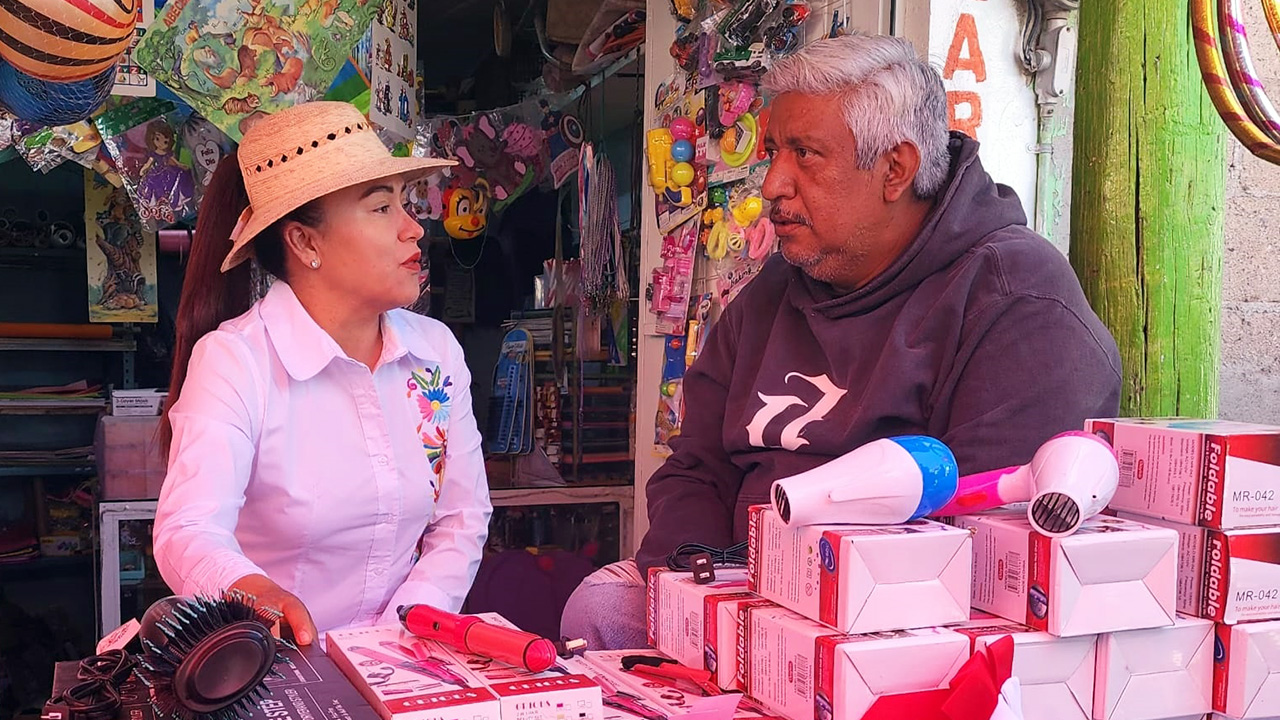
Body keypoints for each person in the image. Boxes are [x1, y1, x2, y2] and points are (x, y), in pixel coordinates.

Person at [561, 33, 1122, 649]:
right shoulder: (778, 287)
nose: (772, 183)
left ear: (895, 170)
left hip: (889, 623)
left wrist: (782, 619)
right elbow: (695, 467)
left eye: (806, 154)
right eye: (773, 150)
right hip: (732, 586)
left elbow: (984, 538)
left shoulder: (1016, 301)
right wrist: (701, 593)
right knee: (601, 608)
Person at [154, 102, 492, 646]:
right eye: (382, 208)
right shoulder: (237, 360)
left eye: (406, 205)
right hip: (271, 669)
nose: (414, 230)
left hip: (403, 664)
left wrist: (396, 638)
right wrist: (252, 589)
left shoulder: (436, 353)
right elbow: (187, 529)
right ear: (305, 242)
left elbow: (462, 517)